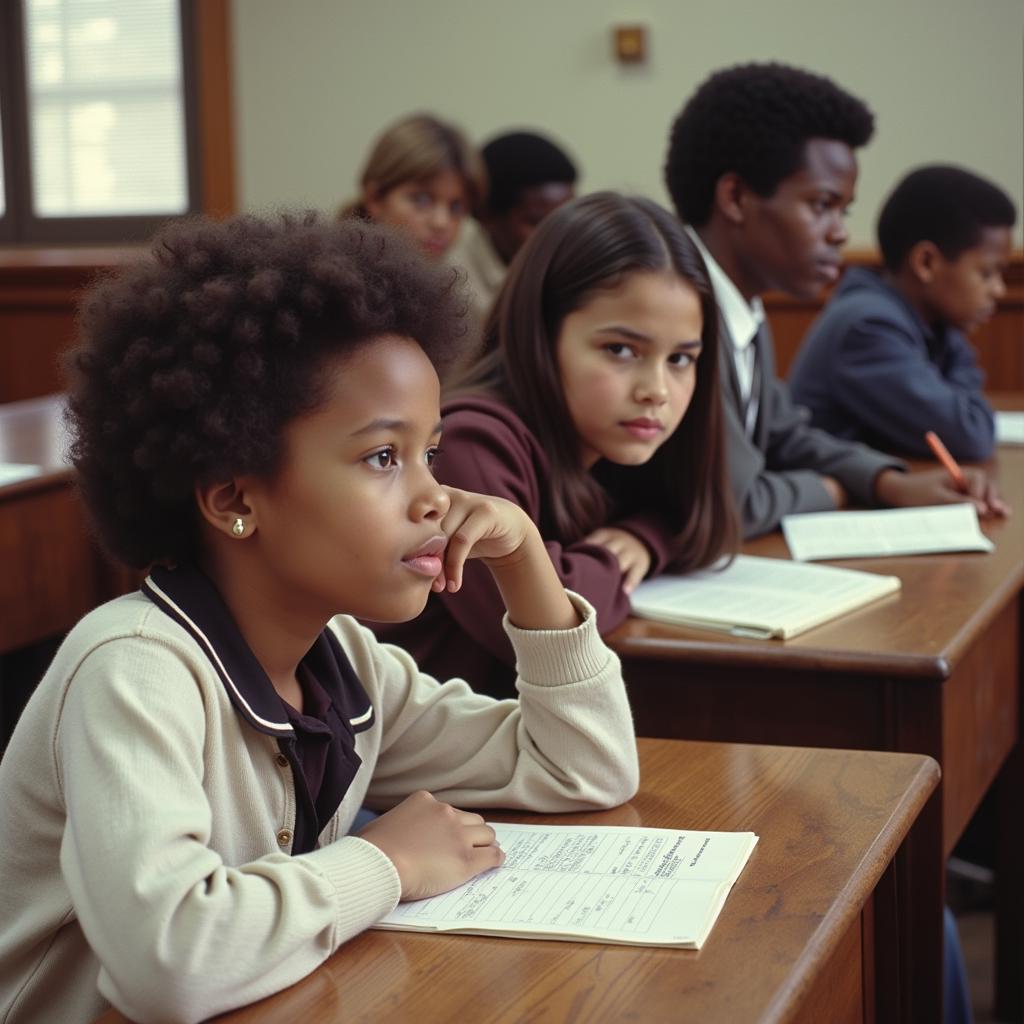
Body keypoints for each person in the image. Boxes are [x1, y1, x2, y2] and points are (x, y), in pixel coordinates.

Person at [0, 214, 638, 1024]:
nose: (434, 496)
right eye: (382, 457)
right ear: (235, 499)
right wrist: (384, 862)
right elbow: (171, 960)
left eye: (431, 453)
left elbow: (582, 769)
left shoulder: (340, 662)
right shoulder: (133, 668)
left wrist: (525, 563)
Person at [375, 192, 737, 697]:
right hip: (415, 754)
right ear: (542, 334)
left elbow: (698, 519)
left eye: (680, 359)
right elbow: (541, 623)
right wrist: (611, 562)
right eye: (621, 350)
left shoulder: (608, 434)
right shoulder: (470, 440)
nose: (656, 389)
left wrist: (643, 539)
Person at [664, 62, 1007, 538]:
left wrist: (888, 482)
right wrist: (835, 490)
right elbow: (732, 505)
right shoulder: (672, 315)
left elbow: (789, 435)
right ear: (737, 197)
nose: (841, 232)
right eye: (821, 205)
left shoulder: (743, 307)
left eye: (843, 210)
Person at [790, 165, 1016, 460]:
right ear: (926, 263)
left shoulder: (925, 323)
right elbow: (969, 435)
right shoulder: (867, 328)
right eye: (986, 273)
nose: (998, 290)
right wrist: (955, 342)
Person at [450, 130, 578, 325]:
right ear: (485, 215)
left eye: (565, 220)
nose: (558, 234)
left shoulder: (576, 266)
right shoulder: (451, 287)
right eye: (537, 222)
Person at [339, 113, 485, 260]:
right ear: (375, 198)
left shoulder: (451, 277)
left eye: (456, 207)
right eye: (422, 200)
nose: (441, 223)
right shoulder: (332, 275)